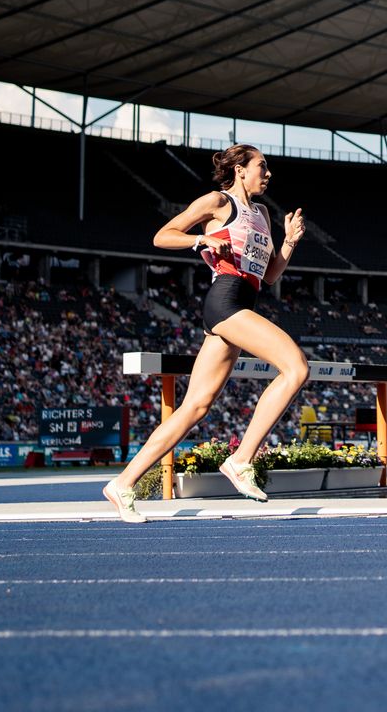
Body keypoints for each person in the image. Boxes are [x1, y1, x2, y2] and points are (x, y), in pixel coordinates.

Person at [102, 144, 307, 523]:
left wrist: (290, 242)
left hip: (245, 300)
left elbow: (271, 275)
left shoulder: (261, 213)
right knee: (296, 367)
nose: (268, 173)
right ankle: (242, 458)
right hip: (226, 301)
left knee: (195, 406)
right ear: (240, 170)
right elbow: (163, 235)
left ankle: (123, 483)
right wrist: (202, 239)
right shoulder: (216, 202)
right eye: (262, 166)